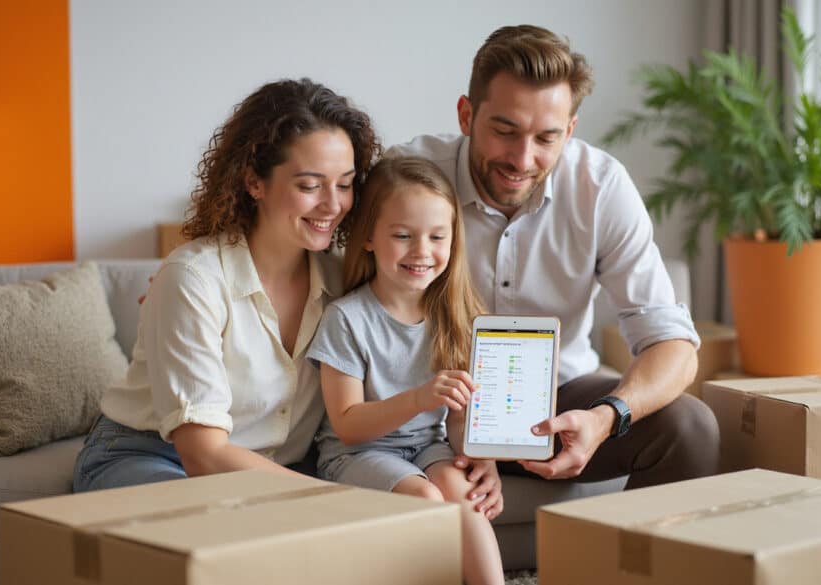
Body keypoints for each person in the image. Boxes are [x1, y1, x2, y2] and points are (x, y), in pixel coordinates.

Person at [388, 25, 720, 488]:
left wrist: (606, 418)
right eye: (505, 131)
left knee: (690, 427)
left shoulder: (600, 186)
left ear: (570, 129)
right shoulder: (407, 178)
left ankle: (635, 561)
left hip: (556, 403)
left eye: (546, 138)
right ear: (466, 116)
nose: (522, 159)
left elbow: (674, 346)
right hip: (426, 412)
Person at [73, 78, 382, 492]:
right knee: (215, 535)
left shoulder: (344, 281)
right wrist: (333, 499)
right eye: (310, 185)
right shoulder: (194, 278)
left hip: (273, 467)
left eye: (344, 184)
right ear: (255, 182)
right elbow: (202, 453)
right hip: (153, 454)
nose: (333, 204)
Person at [307, 157, 505, 585]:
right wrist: (419, 398)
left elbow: (456, 419)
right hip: (356, 455)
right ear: (370, 238)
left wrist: (478, 459)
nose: (422, 251)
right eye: (402, 235)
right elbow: (347, 425)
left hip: (427, 447)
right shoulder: (347, 318)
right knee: (426, 498)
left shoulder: (455, 315)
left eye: (437, 236)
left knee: (463, 495)